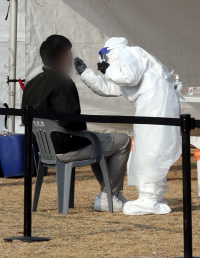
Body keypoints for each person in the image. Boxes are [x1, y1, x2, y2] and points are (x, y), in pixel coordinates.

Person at [22, 35, 131, 212]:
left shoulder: (32, 83)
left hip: (43, 149)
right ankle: (108, 196)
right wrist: (85, 132)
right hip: (65, 148)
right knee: (122, 141)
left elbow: (25, 120)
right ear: (63, 57)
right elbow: (70, 121)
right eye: (70, 53)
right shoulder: (63, 83)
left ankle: (108, 194)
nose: (72, 58)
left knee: (98, 141)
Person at [75, 37, 182, 215]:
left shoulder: (128, 52)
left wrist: (108, 70)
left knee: (150, 149)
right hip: (153, 104)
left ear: (112, 51)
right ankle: (152, 196)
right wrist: (85, 73)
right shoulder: (131, 66)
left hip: (155, 105)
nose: (105, 61)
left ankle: (149, 199)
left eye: (105, 57)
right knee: (150, 148)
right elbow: (109, 89)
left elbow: (129, 78)